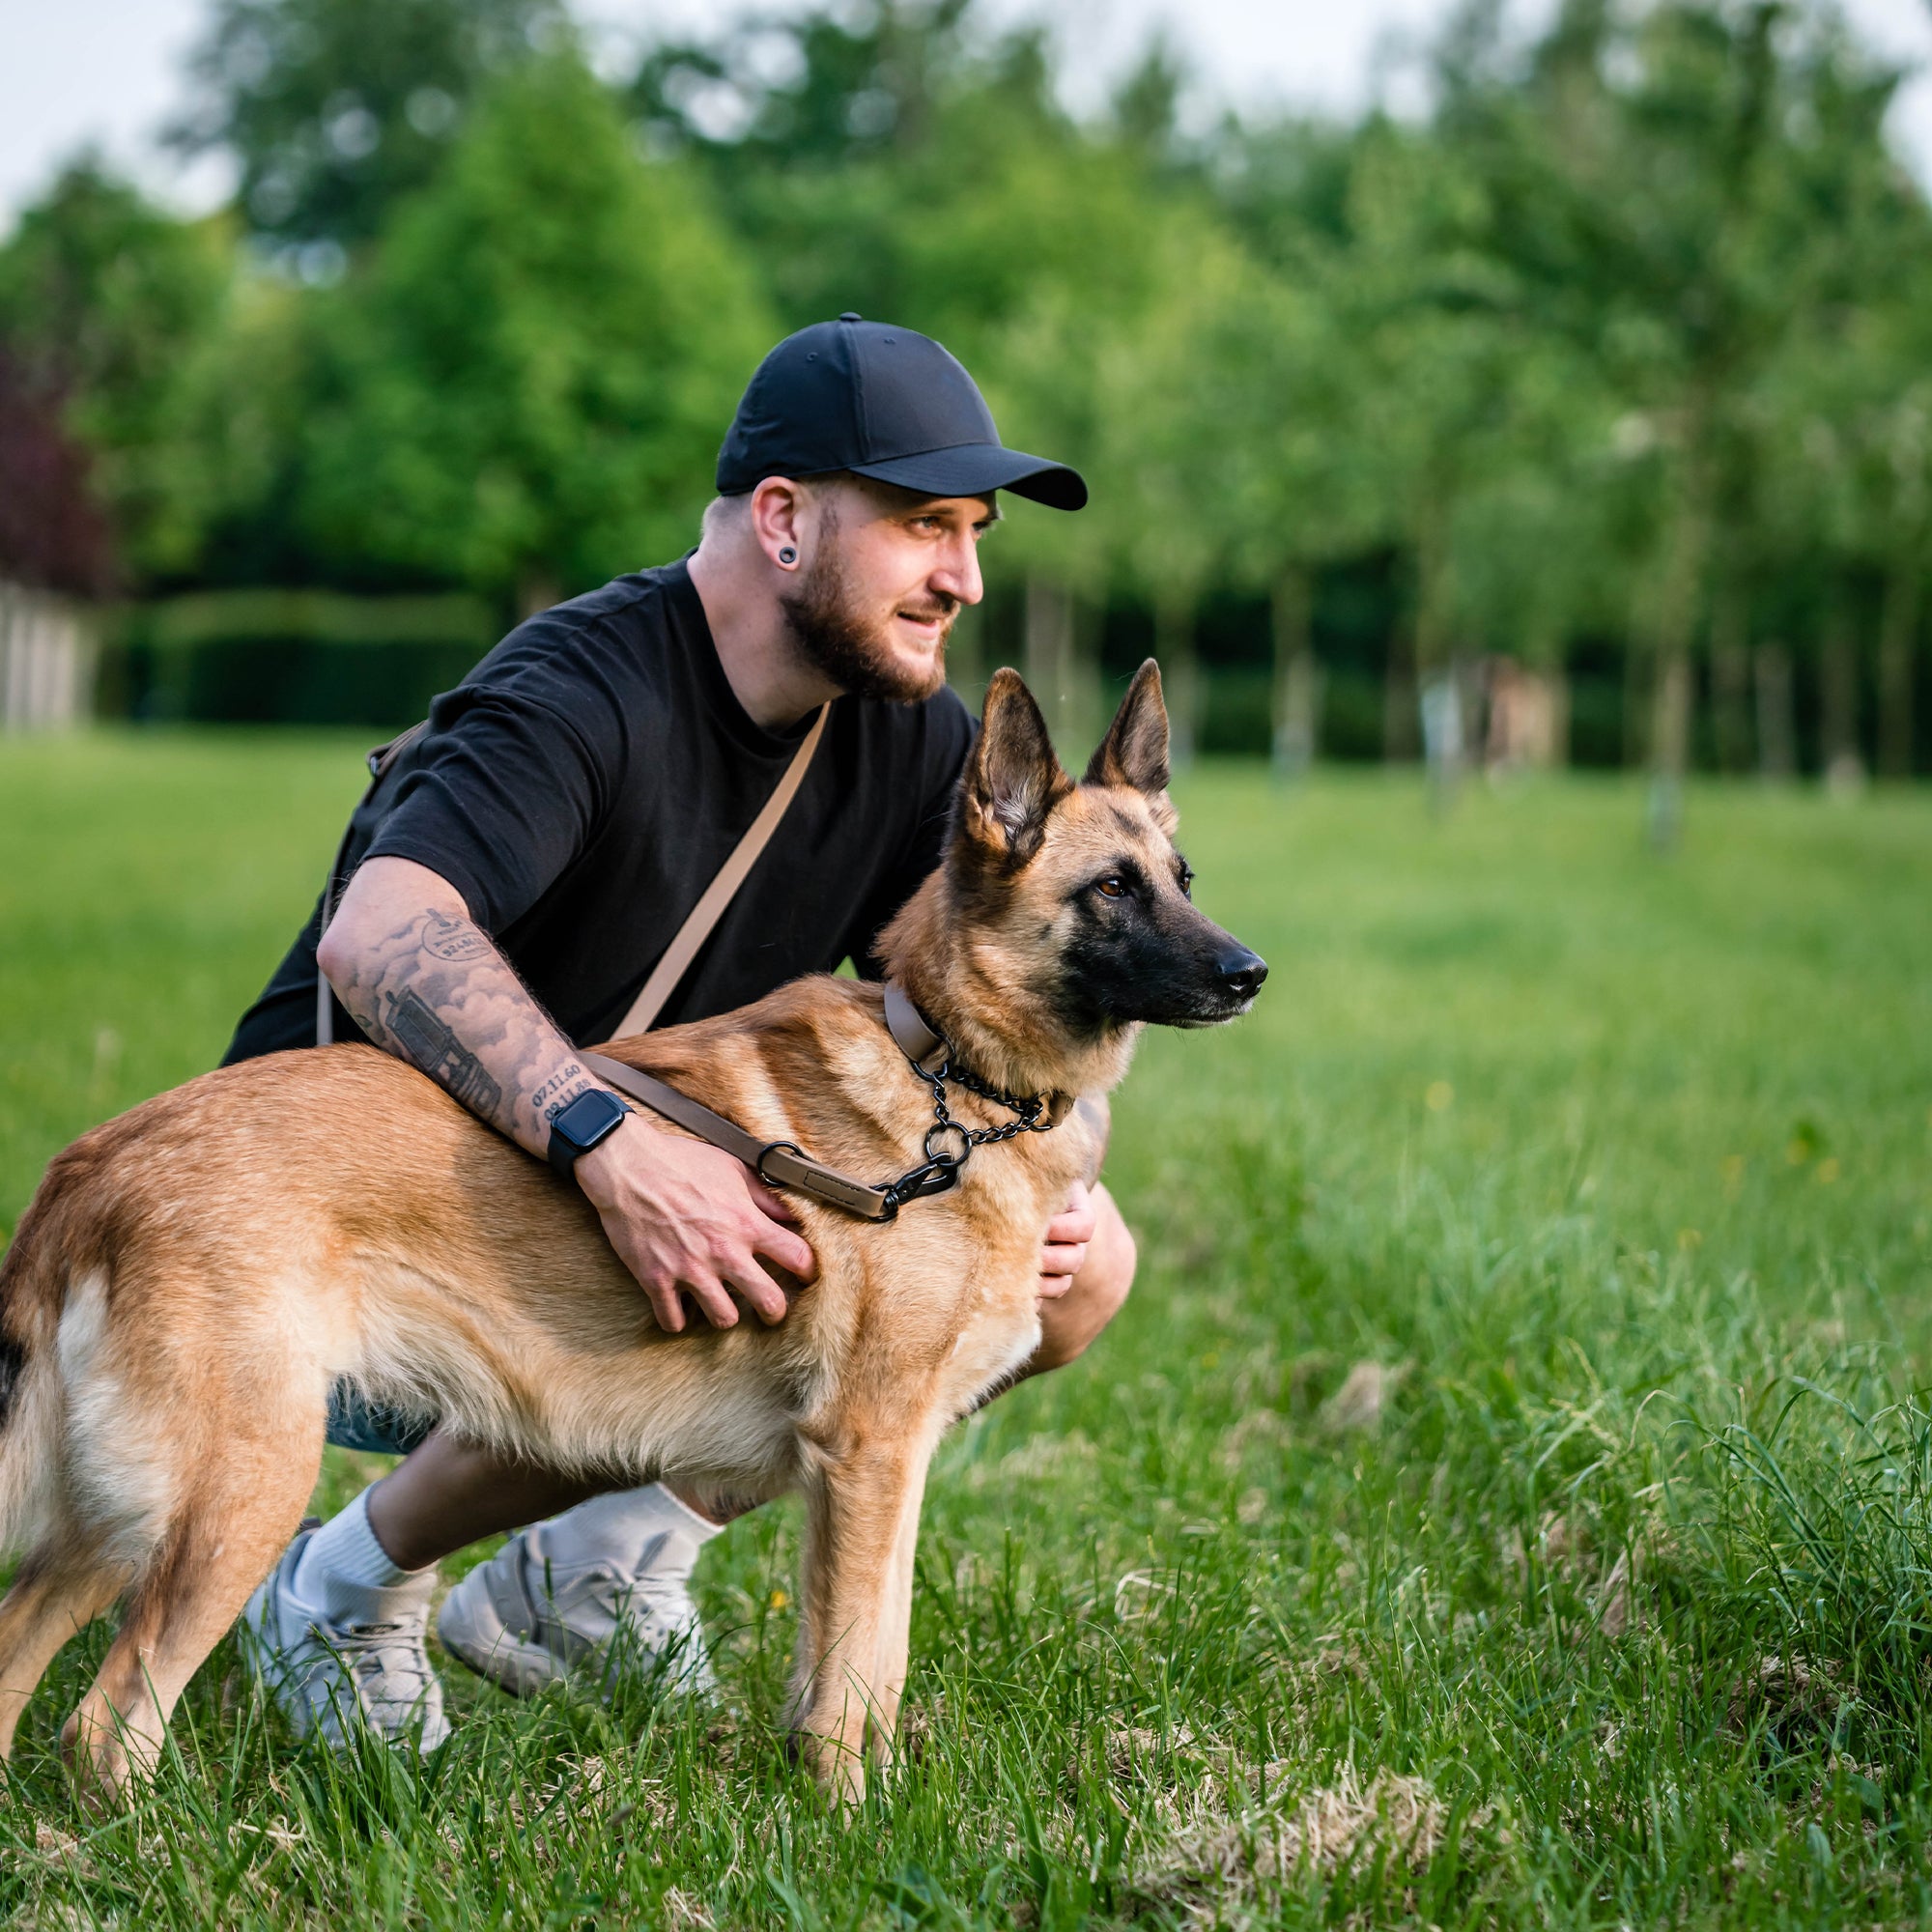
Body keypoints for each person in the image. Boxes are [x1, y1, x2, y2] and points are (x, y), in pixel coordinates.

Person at [226, 314, 1138, 1749]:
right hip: (371, 1229)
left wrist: (1049, 1180)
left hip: (645, 1183)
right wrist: (612, 1150)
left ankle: (602, 1563)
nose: (963, 576)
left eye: (973, 533)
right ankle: (341, 1584)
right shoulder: (578, 691)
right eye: (922, 528)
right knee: (741, 1248)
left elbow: (972, 993)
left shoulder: (908, 734)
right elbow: (382, 936)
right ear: (783, 521)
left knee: (1069, 1272)